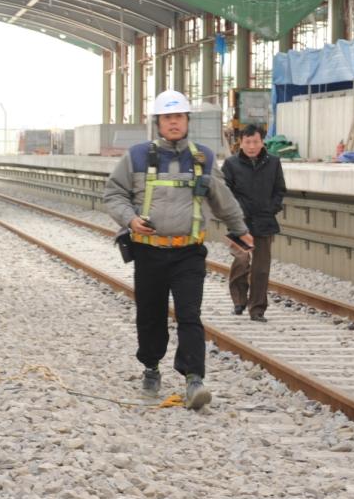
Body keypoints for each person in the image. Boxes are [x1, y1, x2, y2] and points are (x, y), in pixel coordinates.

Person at [103, 89, 252, 411]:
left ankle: (194, 378)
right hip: (149, 253)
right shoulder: (137, 156)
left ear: (187, 121)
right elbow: (113, 194)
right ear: (159, 122)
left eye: (179, 117)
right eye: (168, 118)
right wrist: (129, 219)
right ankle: (151, 367)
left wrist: (240, 229)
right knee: (150, 314)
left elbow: (222, 199)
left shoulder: (203, 158)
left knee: (190, 315)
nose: (174, 123)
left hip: (188, 253)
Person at [222, 124, 286, 323]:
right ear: (240, 143)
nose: (252, 146)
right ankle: (239, 300)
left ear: (262, 142)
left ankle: (257, 309)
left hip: (265, 221)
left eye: (255, 142)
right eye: (247, 142)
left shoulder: (273, 163)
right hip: (240, 223)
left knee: (261, 268)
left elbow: (280, 189)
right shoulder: (231, 164)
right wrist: (235, 214)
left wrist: (272, 207)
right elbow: (225, 192)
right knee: (241, 260)